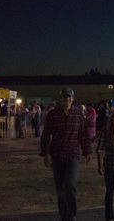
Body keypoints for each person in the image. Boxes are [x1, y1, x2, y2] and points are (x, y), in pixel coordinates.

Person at [40, 87, 92, 221]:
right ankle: (64, 215)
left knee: (70, 185)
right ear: (60, 98)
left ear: (73, 99)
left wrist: (87, 151)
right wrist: (45, 152)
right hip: (57, 155)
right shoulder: (53, 115)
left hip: (73, 155)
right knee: (60, 188)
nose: (66, 99)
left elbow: (83, 134)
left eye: (69, 97)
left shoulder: (78, 114)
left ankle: (72, 214)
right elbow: (46, 134)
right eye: (64, 97)